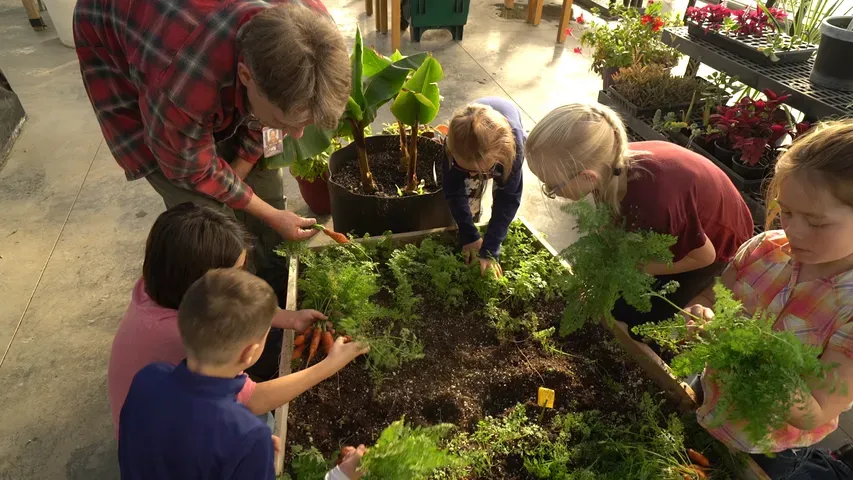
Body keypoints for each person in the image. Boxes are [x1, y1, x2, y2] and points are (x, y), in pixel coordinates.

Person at [73, 0, 351, 293]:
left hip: (208, 45)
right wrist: (254, 208)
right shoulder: (180, 82)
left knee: (261, 190)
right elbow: (190, 167)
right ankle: (246, 303)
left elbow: (268, 125)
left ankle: (278, 280)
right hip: (124, 26)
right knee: (212, 229)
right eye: (284, 120)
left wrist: (240, 178)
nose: (297, 136)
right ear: (246, 76)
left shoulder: (317, 34)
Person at [108, 203, 367, 436]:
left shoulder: (158, 287)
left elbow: (234, 299)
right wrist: (330, 365)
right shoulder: (181, 337)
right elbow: (252, 398)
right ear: (199, 283)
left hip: (146, 422)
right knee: (261, 426)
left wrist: (290, 318)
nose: (242, 279)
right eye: (235, 273)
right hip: (172, 449)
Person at [685, 121, 853, 479]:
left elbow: (817, 408)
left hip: (768, 446)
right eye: (787, 212)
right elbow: (711, 296)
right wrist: (699, 311)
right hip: (708, 394)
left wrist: (757, 357)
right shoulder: (765, 248)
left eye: (816, 222)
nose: (793, 230)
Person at [524, 103, 753, 335]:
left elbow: (704, 255)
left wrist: (638, 267)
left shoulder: (654, 202)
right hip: (678, 224)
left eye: (552, 186)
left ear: (587, 177)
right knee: (615, 295)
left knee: (634, 316)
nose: (551, 191)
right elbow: (611, 225)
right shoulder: (606, 166)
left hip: (719, 242)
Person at [119, 268, 369, 479]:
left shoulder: (147, 378)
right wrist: (340, 475)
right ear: (249, 353)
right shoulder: (246, 435)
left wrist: (244, 453)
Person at [442, 98, 526, 277]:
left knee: (502, 195)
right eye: (464, 168)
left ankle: (486, 241)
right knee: (468, 196)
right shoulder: (452, 143)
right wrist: (469, 234)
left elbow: (509, 200)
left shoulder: (514, 149)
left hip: (502, 142)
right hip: (471, 141)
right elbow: (453, 190)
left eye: (478, 171)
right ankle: (473, 234)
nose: (472, 175)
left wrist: (491, 249)